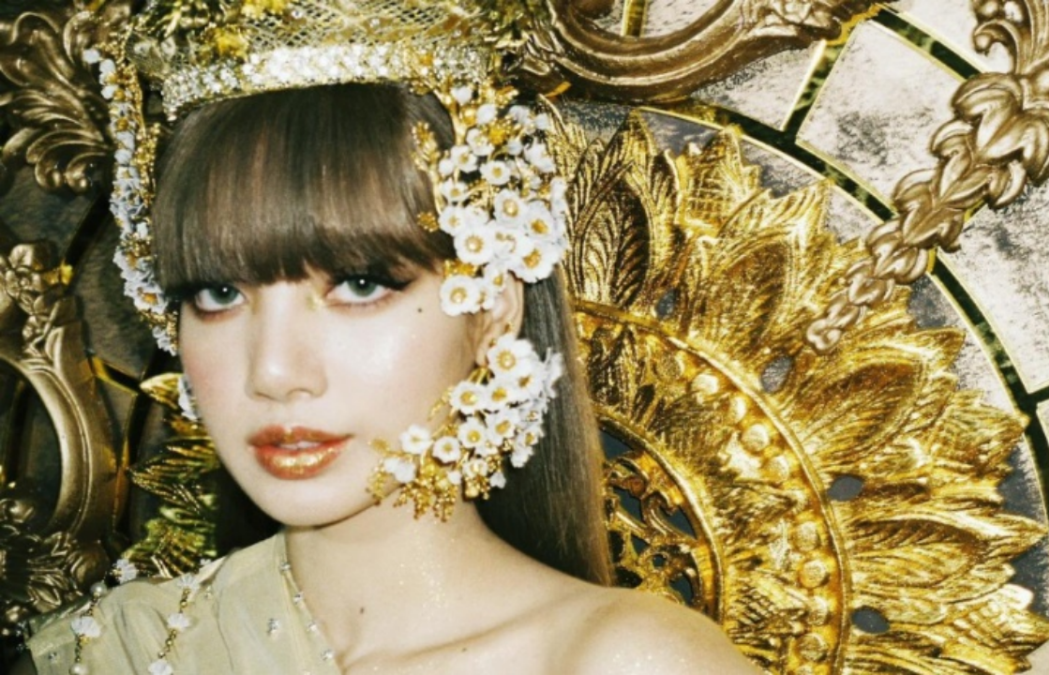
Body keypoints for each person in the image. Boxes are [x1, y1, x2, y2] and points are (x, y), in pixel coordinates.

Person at [16, 2, 758, 673]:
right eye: (218, 293)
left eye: (361, 283)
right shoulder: (108, 653)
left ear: (492, 306)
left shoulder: (629, 662)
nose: (274, 371)